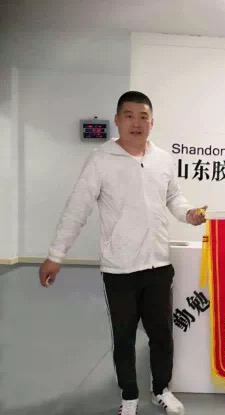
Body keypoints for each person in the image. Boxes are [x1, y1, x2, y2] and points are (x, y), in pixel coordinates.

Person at [39, 91, 206, 415]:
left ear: (152, 122)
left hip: (158, 265)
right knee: (124, 338)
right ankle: (129, 396)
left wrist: (188, 214)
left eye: (143, 116)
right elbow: (76, 210)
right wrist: (55, 256)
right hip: (120, 270)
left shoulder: (162, 159)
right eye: (129, 116)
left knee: (162, 335)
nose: (136, 122)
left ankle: (161, 389)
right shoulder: (101, 160)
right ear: (117, 120)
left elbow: (174, 197)